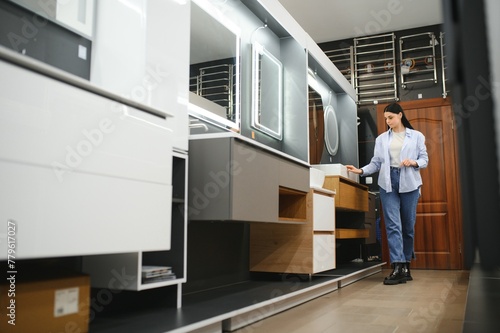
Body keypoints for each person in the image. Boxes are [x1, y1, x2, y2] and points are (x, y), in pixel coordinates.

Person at [346, 103, 428, 285]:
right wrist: (360, 171)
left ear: (400, 115)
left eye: (391, 117)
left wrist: (413, 162)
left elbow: (424, 160)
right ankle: (397, 266)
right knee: (392, 225)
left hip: (410, 183)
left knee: (408, 226)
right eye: (386, 119)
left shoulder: (416, 136)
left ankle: (406, 265)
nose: (388, 121)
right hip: (387, 183)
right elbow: (376, 163)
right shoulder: (382, 139)